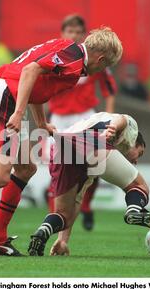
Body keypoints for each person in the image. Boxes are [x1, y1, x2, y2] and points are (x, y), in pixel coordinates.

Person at [0, 27, 124, 256]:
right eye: (104, 66)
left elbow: (36, 82)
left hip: (4, 96)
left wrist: (41, 123)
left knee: (25, 169)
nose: (100, 70)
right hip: (6, 100)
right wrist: (17, 113)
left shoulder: (65, 47)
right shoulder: (74, 59)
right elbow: (30, 70)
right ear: (101, 58)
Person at [28, 112, 150, 256]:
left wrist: (63, 240)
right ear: (137, 142)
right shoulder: (132, 132)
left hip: (59, 147)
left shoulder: (93, 131)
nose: (137, 160)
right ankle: (134, 210)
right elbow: (124, 119)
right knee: (140, 186)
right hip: (89, 140)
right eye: (140, 153)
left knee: (64, 215)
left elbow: (78, 199)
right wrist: (114, 126)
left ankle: (43, 231)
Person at [46, 15, 118, 231]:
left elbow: (110, 91)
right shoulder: (56, 57)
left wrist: (109, 119)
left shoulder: (95, 60)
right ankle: (54, 218)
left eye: (78, 32)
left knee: (95, 165)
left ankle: (85, 205)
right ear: (62, 33)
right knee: (57, 169)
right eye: (70, 31)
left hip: (85, 116)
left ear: (84, 35)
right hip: (59, 119)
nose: (74, 35)